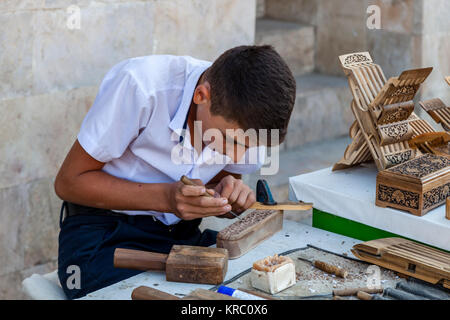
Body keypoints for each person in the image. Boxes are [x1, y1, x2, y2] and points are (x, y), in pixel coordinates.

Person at [54, 45, 296, 299]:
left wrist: (225, 195)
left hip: (181, 238)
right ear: (201, 96)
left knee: (262, 280)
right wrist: (167, 199)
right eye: (231, 141)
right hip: (104, 235)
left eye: (250, 146)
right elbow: (69, 182)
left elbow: (222, 179)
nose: (237, 156)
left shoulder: (250, 122)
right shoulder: (141, 86)